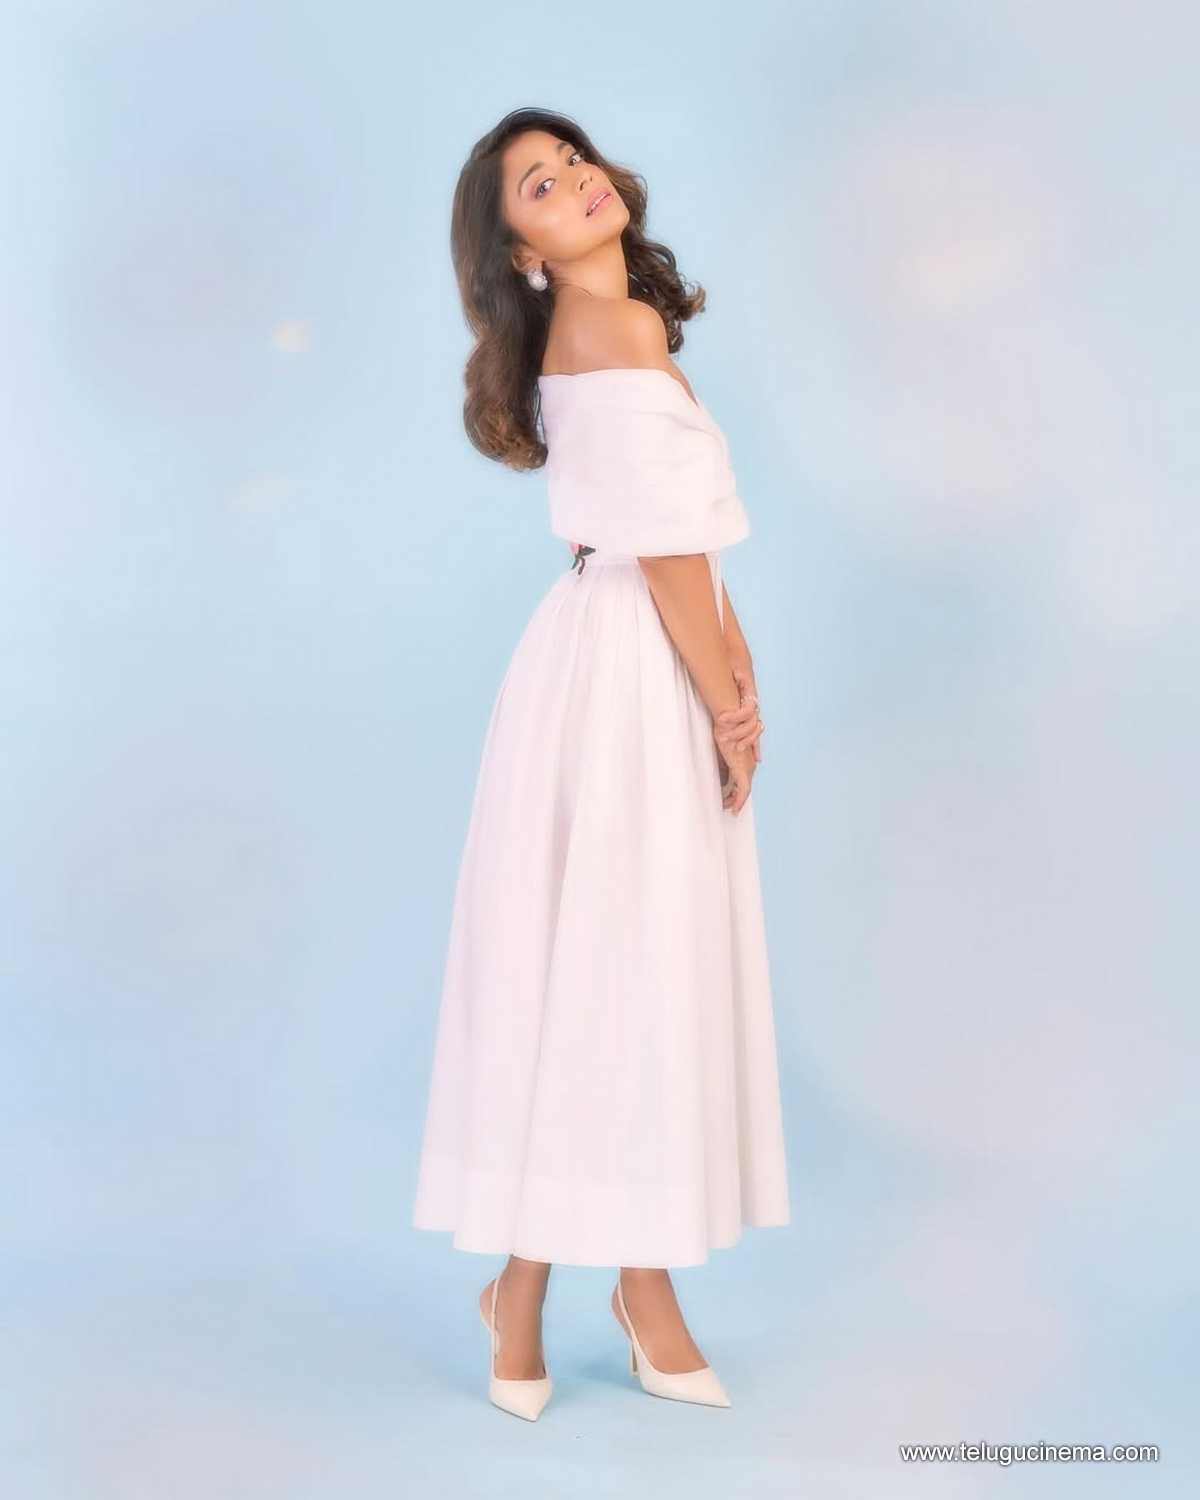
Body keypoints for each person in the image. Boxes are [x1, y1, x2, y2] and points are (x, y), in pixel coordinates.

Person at [412, 108, 790, 1421]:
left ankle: (580, 1291)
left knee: (605, 979)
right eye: (537, 184)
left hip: (605, 649)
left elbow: (677, 534)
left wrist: (737, 662)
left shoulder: (607, 331)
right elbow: (669, 552)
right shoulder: (616, 330)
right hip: (632, 669)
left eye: (569, 159)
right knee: (627, 977)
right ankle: (584, 1290)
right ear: (519, 250)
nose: (571, 181)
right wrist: (729, 708)